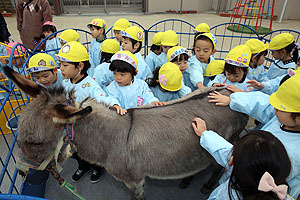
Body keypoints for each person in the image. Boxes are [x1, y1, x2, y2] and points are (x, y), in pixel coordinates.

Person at [208, 72, 300, 199]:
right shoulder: (287, 119)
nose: (274, 108)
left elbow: (241, 159)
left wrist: (205, 135)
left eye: (280, 107)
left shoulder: (293, 154)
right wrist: (233, 99)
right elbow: (262, 104)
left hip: (249, 188)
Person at [55, 41, 119, 183]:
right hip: (73, 126)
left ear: (80, 66)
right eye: (60, 65)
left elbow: (102, 98)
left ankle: (96, 168)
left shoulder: (90, 85)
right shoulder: (66, 81)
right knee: (75, 150)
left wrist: (114, 104)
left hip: (89, 127)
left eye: (65, 65)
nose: (61, 69)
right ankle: (83, 166)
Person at [192, 118, 293, 200]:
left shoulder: (224, 196)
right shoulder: (281, 193)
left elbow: (224, 151)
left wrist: (205, 134)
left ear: (232, 161)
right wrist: (205, 134)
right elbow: (225, 150)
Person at [106, 51, 165, 115]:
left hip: (141, 118)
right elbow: (111, 99)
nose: (118, 77)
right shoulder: (111, 88)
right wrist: (115, 105)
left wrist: (153, 101)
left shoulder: (142, 85)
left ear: (134, 73)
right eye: (114, 73)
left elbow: (148, 96)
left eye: (122, 74)